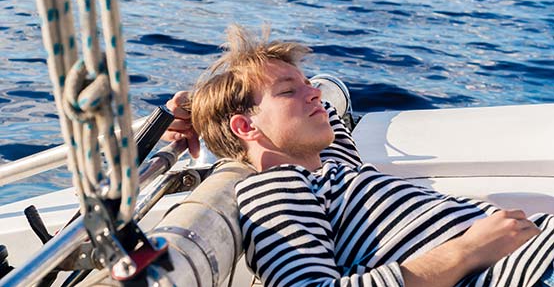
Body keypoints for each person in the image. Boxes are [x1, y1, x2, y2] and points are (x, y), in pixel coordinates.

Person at [163, 24, 554, 287]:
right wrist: (468, 250)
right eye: (289, 91)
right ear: (246, 128)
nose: (314, 93)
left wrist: (197, 106)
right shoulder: (277, 189)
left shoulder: (335, 164)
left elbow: (325, 107)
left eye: (308, 85)